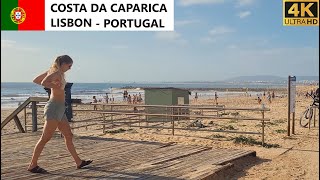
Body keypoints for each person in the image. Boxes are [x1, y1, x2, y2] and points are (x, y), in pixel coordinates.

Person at [29, 55, 92, 173]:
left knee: (68, 135)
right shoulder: (57, 73)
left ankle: (78, 162)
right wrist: (53, 85)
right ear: (63, 64)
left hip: (60, 109)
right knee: (45, 138)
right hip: (53, 108)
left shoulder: (55, 72)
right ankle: (33, 165)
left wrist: (51, 78)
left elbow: (36, 80)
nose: (70, 68)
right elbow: (42, 82)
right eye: (69, 65)